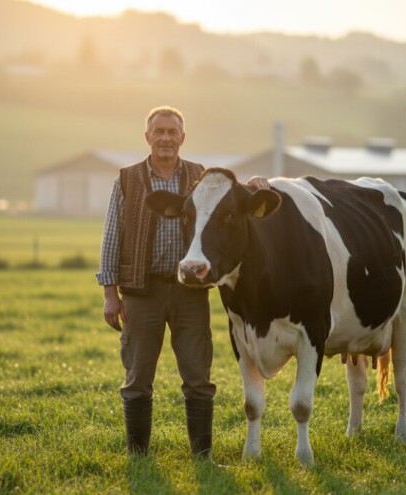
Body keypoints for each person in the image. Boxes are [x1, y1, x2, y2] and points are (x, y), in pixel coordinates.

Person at [96, 106, 267, 460]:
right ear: (147, 138)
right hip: (142, 291)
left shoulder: (198, 177)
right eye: (158, 131)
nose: (166, 138)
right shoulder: (127, 179)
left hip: (192, 291)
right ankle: (138, 457)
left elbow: (231, 195)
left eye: (173, 132)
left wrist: (256, 185)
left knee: (198, 377)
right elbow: (112, 236)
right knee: (138, 377)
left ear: (183, 138)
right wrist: (110, 295)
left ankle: (203, 457)